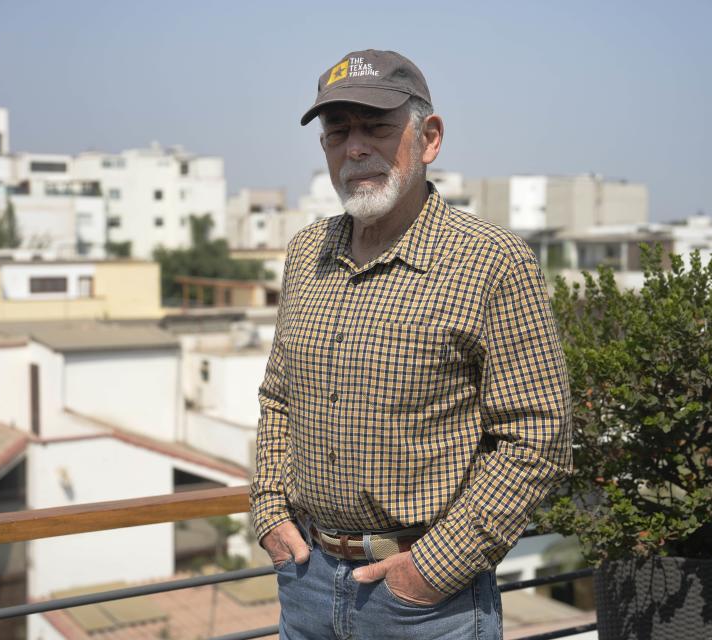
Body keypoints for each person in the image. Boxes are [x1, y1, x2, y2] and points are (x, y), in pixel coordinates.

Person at [249, 49, 572, 639]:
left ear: (429, 137)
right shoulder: (305, 252)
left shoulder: (493, 261)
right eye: (337, 131)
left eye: (376, 126)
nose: (354, 148)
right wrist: (269, 509)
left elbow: (537, 437)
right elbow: (279, 397)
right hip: (306, 581)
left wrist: (429, 569)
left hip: (425, 603)